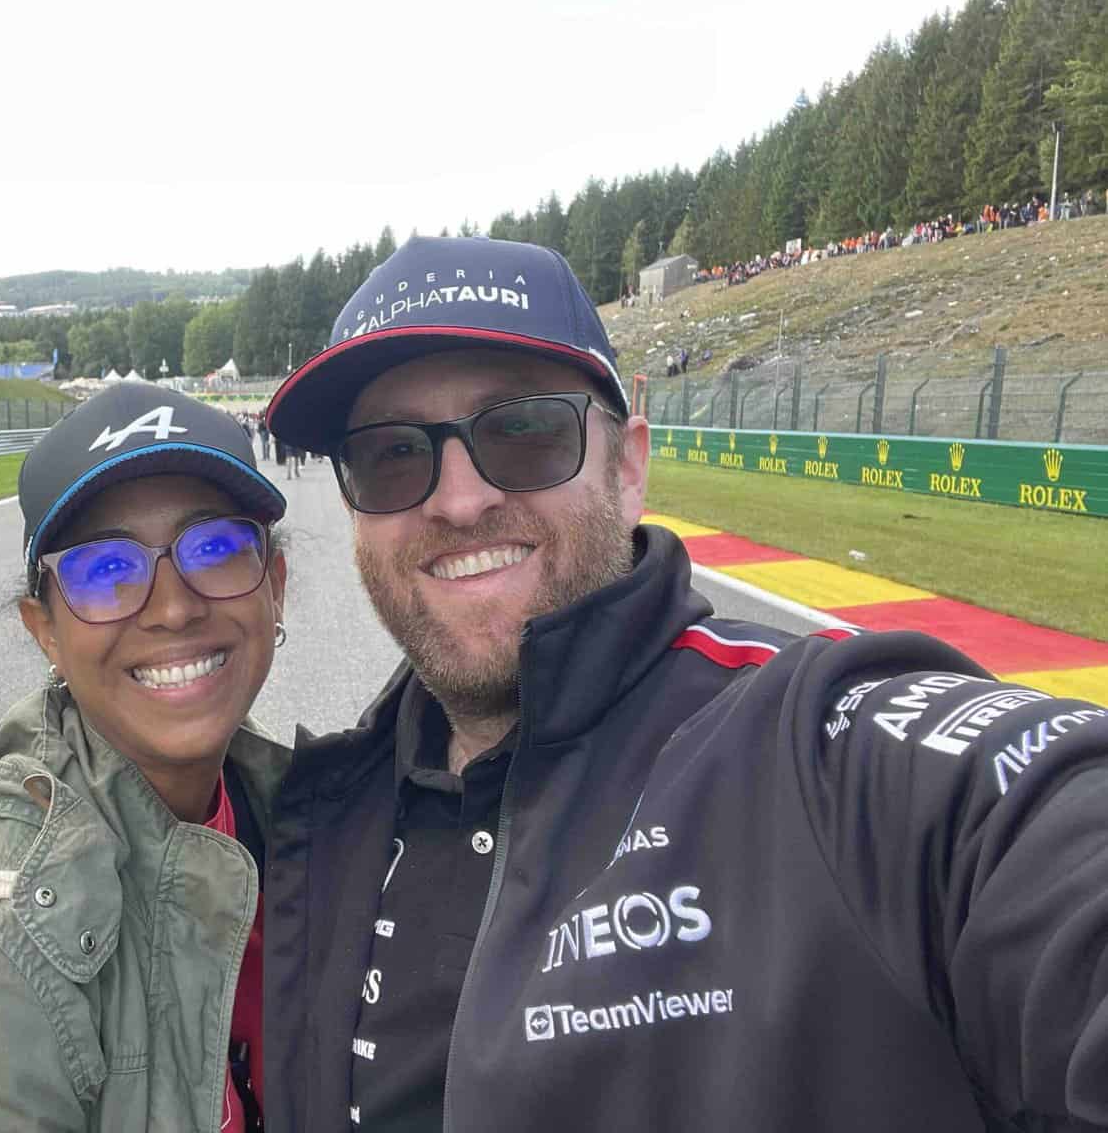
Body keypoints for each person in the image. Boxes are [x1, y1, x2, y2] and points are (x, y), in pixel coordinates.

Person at [260, 234, 1108, 1132]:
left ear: (627, 469)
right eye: (392, 455)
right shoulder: (324, 808)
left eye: (521, 431)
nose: (458, 500)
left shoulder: (819, 749)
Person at [0, 383, 290, 1132]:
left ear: (274, 586)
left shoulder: (303, 810)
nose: (172, 607)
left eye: (215, 548)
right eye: (106, 570)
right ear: (45, 632)